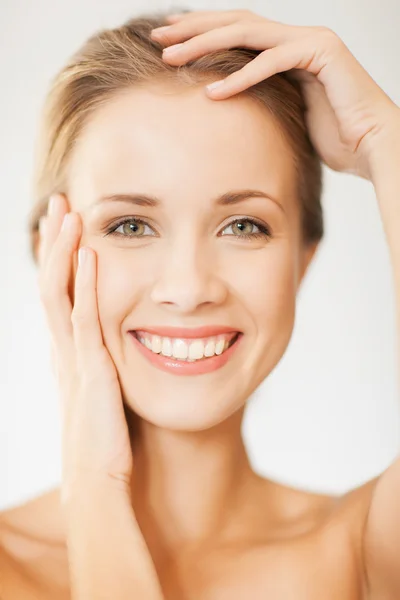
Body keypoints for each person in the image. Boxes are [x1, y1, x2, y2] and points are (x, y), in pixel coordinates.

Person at [1, 7, 400, 600]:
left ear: (304, 260)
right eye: (132, 225)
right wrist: (92, 488)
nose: (189, 290)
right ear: (53, 253)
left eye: (243, 225)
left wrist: (382, 139)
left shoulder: (363, 552)